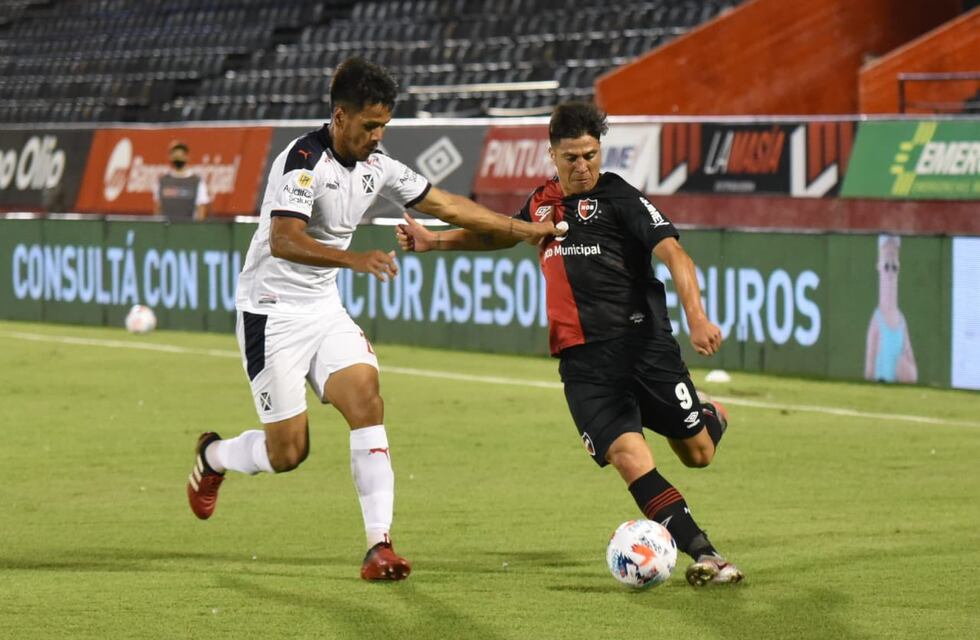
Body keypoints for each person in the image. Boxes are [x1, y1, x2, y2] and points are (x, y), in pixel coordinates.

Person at [185, 57, 558, 581]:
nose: (378, 136)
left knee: (367, 401)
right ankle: (215, 456)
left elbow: (446, 205)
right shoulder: (302, 161)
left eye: (384, 125)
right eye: (369, 126)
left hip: (323, 309)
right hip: (271, 312)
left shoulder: (377, 164)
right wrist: (354, 259)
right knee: (289, 452)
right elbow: (284, 239)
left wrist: (522, 230)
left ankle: (379, 546)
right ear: (340, 117)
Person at [396, 101, 744, 586]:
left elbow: (675, 255)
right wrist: (435, 242)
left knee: (698, 453)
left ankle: (710, 414)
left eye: (590, 155)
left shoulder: (621, 199)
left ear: (600, 151)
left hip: (644, 350)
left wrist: (698, 317)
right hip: (584, 365)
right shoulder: (541, 202)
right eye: (571, 158)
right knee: (629, 457)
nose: (582, 167)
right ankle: (706, 555)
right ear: (551, 155)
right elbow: (500, 235)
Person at [865, 235, 917, 383]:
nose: (890, 273)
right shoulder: (877, 320)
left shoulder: (901, 321)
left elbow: (911, 367)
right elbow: (869, 364)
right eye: (886, 266)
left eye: (894, 267)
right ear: (879, 266)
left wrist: (905, 369)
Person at [154, 140, 210, 221]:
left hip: (188, 228)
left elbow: (201, 209)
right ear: (170, 157)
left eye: (181, 155)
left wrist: (198, 229)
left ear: (187, 157)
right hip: (167, 228)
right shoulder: (163, 181)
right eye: (176, 155)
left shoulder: (196, 181)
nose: (178, 158)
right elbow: (158, 207)